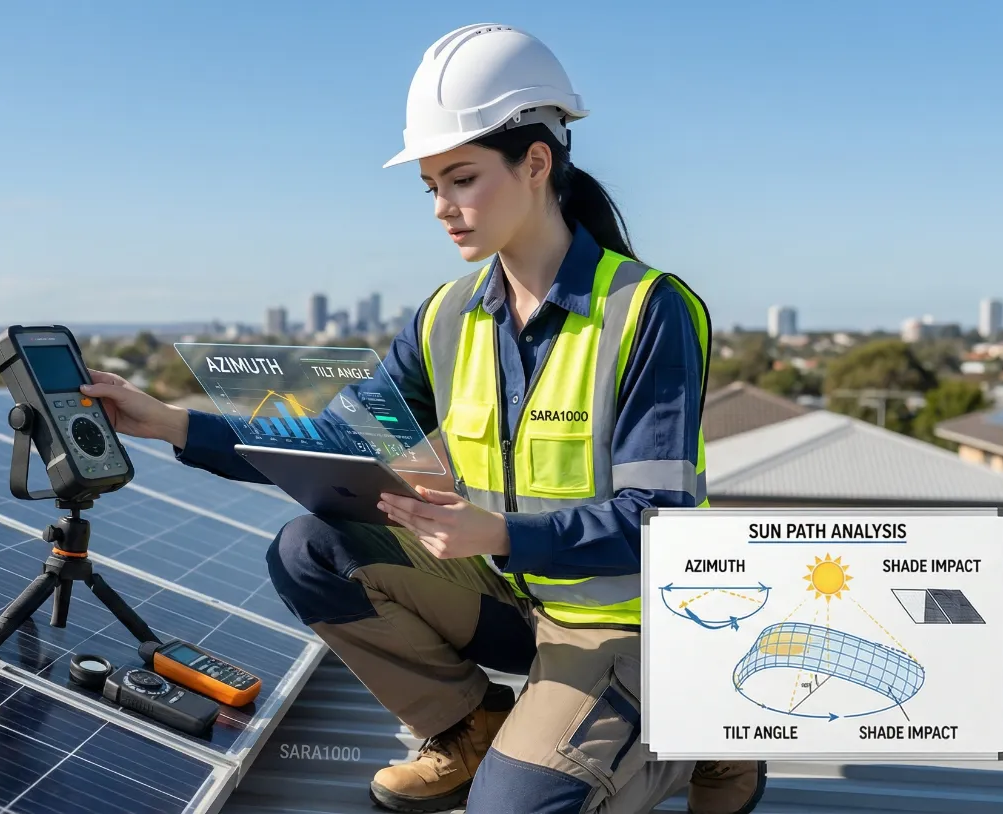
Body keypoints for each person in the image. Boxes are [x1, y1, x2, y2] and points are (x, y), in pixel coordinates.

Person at [80, 23, 764, 814]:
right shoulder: (447, 316)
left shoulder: (647, 309)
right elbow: (340, 439)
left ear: (536, 162)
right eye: (431, 186)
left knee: (513, 810)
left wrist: (502, 534)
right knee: (315, 550)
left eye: (463, 179)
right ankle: (471, 727)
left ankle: (709, 737)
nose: (443, 207)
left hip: (630, 623)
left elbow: (661, 520)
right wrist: (171, 422)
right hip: (515, 597)